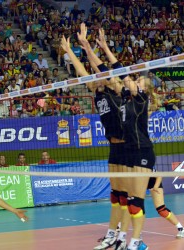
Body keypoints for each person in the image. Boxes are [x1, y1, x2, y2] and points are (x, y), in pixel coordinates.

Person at [61, 24, 131, 250]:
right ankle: (113, 233)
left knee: (126, 194)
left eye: (100, 77)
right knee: (116, 194)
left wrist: (87, 45)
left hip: (128, 145)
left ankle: (123, 235)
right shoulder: (96, 90)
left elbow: (97, 68)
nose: (97, 79)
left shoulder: (114, 88)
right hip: (113, 146)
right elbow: (82, 71)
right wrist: (69, 51)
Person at [97, 28, 155, 250]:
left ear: (143, 88)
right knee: (129, 201)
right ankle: (127, 239)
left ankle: (135, 242)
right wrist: (99, 48)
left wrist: (107, 50)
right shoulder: (124, 97)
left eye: (139, 79)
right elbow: (105, 74)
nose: (135, 80)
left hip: (142, 152)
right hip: (129, 152)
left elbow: (122, 72)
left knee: (136, 201)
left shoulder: (141, 99)